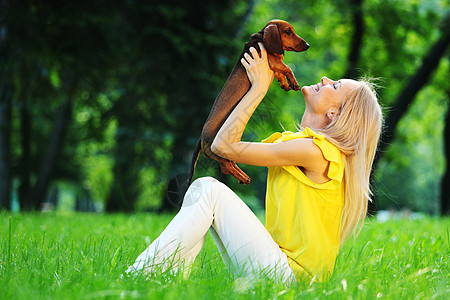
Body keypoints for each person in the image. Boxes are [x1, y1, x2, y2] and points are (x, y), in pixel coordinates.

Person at [124, 43, 383, 285]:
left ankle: (140, 277)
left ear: (334, 113)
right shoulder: (305, 147)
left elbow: (223, 146)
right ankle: (162, 278)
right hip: (280, 271)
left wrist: (258, 87)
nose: (326, 79)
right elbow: (224, 144)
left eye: (335, 86)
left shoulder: (317, 151)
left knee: (208, 191)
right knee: (206, 193)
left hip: (288, 279)